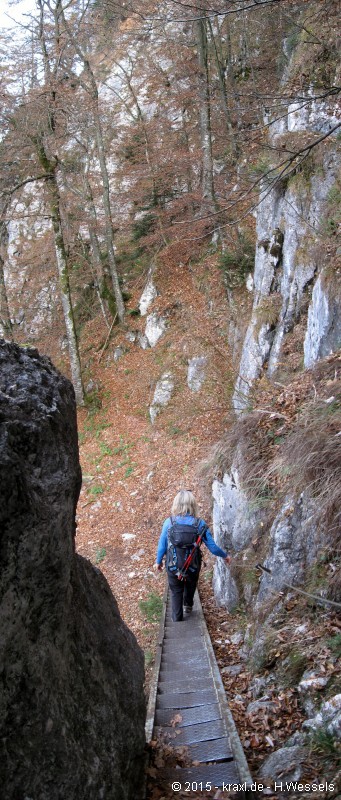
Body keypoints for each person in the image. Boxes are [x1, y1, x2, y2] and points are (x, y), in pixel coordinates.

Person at [156, 489, 231, 622]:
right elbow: (212, 547)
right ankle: (188, 605)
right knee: (191, 585)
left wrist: (158, 561)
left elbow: (162, 545)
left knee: (176, 590)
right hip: (192, 566)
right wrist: (225, 556)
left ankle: (177, 617)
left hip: (173, 565)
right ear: (193, 504)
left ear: (176, 504)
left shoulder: (169, 523)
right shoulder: (199, 524)